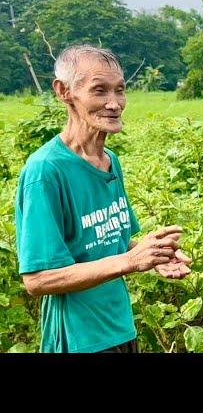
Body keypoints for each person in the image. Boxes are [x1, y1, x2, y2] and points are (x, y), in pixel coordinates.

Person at [14, 45, 192, 353]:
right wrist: (129, 261)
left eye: (120, 90)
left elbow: (111, 244)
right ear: (63, 91)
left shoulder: (109, 160)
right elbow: (38, 279)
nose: (114, 103)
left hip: (120, 328)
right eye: (99, 91)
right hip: (79, 340)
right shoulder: (45, 172)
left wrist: (154, 257)